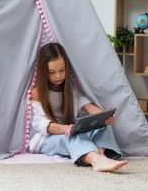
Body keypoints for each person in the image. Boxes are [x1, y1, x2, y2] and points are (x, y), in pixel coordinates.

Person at [29, 43, 128, 172]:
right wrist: (67, 129)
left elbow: (88, 106)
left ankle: (101, 155)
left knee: (103, 126)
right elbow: (41, 124)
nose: (58, 76)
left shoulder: (70, 88)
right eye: (52, 72)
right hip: (47, 139)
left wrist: (105, 116)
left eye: (62, 70)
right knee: (74, 136)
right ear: (43, 72)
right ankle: (95, 160)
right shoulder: (37, 92)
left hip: (70, 131)